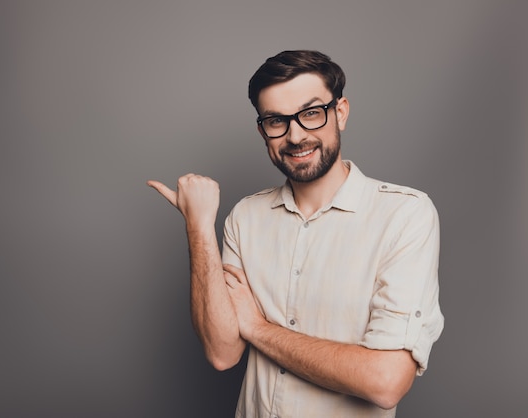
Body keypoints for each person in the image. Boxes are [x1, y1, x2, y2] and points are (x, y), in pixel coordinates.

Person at [147, 50, 443, 417]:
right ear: (262, 130)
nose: (296, 135)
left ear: (341, 112)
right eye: (276, 120)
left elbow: (385, 382)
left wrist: (257, 328)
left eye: (311, 113)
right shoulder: (245, 217)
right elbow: (222, 353)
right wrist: (199, 227)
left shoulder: (404, 215)